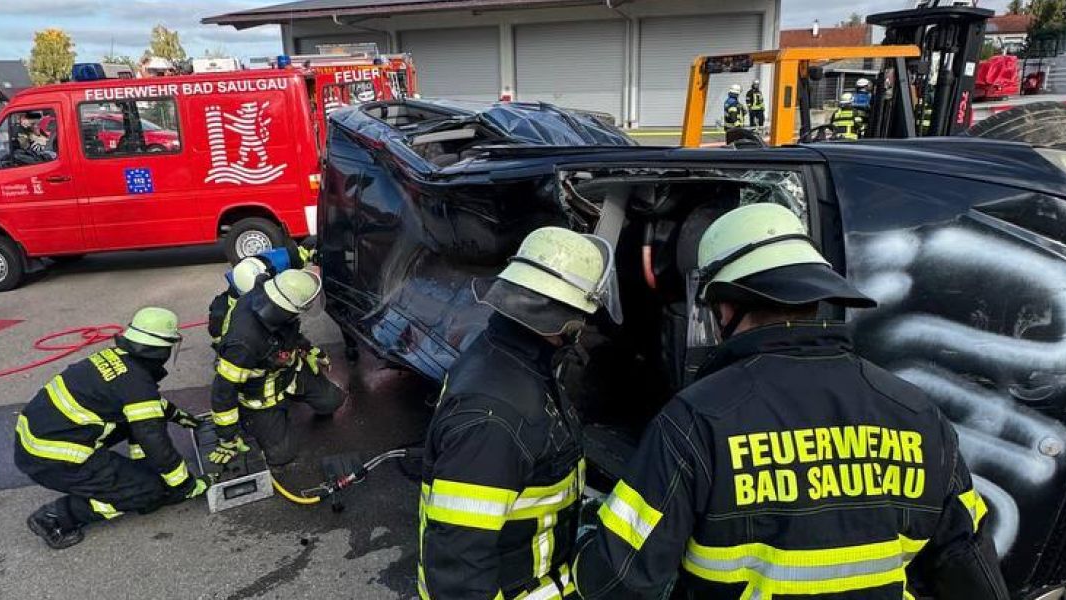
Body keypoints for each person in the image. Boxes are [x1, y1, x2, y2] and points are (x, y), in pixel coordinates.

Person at [573, 203, 1008, 600]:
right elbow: (967, 565)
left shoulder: (698, 419)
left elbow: (615, 580)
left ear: (726, 307)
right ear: (814, 296)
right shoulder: (916, 413)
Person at [418, 227, 619, 600]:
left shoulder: (511, 357)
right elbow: (459, 576)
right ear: (567, 318)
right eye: (584, 316)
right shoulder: (492, 420)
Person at [15, 307, 208, 549]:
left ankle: (141, 470)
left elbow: (141, 404)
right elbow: (152, 437)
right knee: (152, 492)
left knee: (139, 422)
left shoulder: (117, 359)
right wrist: (184, 484)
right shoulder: (137, 382)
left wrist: (178, 416)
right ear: (161, 349)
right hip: (54, 459)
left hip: (39, 441)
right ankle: (57, 517)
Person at [207, 268, 341, 496]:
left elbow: (289, 333)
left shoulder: (270, 299)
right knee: (281, 455)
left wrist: (310, 350)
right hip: (261, 394)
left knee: (332, 402)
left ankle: (291, 402)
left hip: (289, 374)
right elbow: (223, 389)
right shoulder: (243, 343)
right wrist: (227, 434)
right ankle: (251, 421)